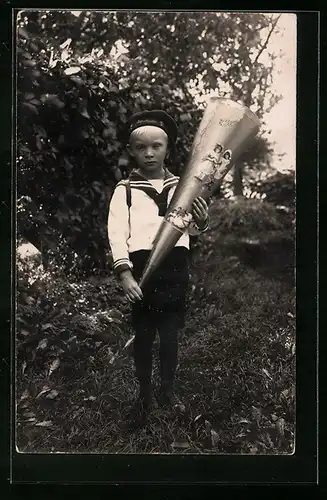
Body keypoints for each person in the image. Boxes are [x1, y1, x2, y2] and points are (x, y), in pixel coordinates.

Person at [107, 110, 209, 421]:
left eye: (157, 146)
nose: (149, 153)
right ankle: (145, 393)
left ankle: (167, 389)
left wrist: (201, 221)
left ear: (168, 148)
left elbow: (189, 228)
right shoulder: (124, 190)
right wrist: (125, 275)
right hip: (141, 269)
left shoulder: (184, 186)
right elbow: (116, 233)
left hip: (174, 268)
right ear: (131, 151)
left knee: (170, 334)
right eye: (141, 148)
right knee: (144, 333)